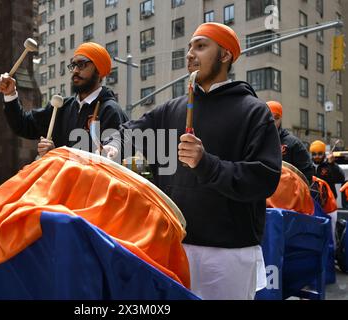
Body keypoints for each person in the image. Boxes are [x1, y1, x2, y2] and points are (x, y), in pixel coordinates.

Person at [102, 22, 282, 299]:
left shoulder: (254, 112)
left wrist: (206, 164)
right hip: (174, 243)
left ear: (224, 55)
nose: (189, 53)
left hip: (229, 253)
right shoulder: (172, 108)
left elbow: (264, 178)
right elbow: (130, 132)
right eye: (189, 47)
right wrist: (113, 149)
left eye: (200, 46)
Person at [0, 42, 128, 156]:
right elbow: (23, 125)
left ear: (98, 70)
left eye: (82, 65)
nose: (75, 70)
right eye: (73, 65)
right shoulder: (61, 106)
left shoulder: (110, 111)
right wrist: (10, 94)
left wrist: (57, 155)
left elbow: (108, 163)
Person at [266, 101, 314, 184]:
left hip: (287, 193)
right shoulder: (256, 141)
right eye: (269, 118)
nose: (272, 122)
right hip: (264, 193)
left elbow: (308, 172)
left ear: (280, 119)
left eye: (276, 118)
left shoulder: (292, 143)